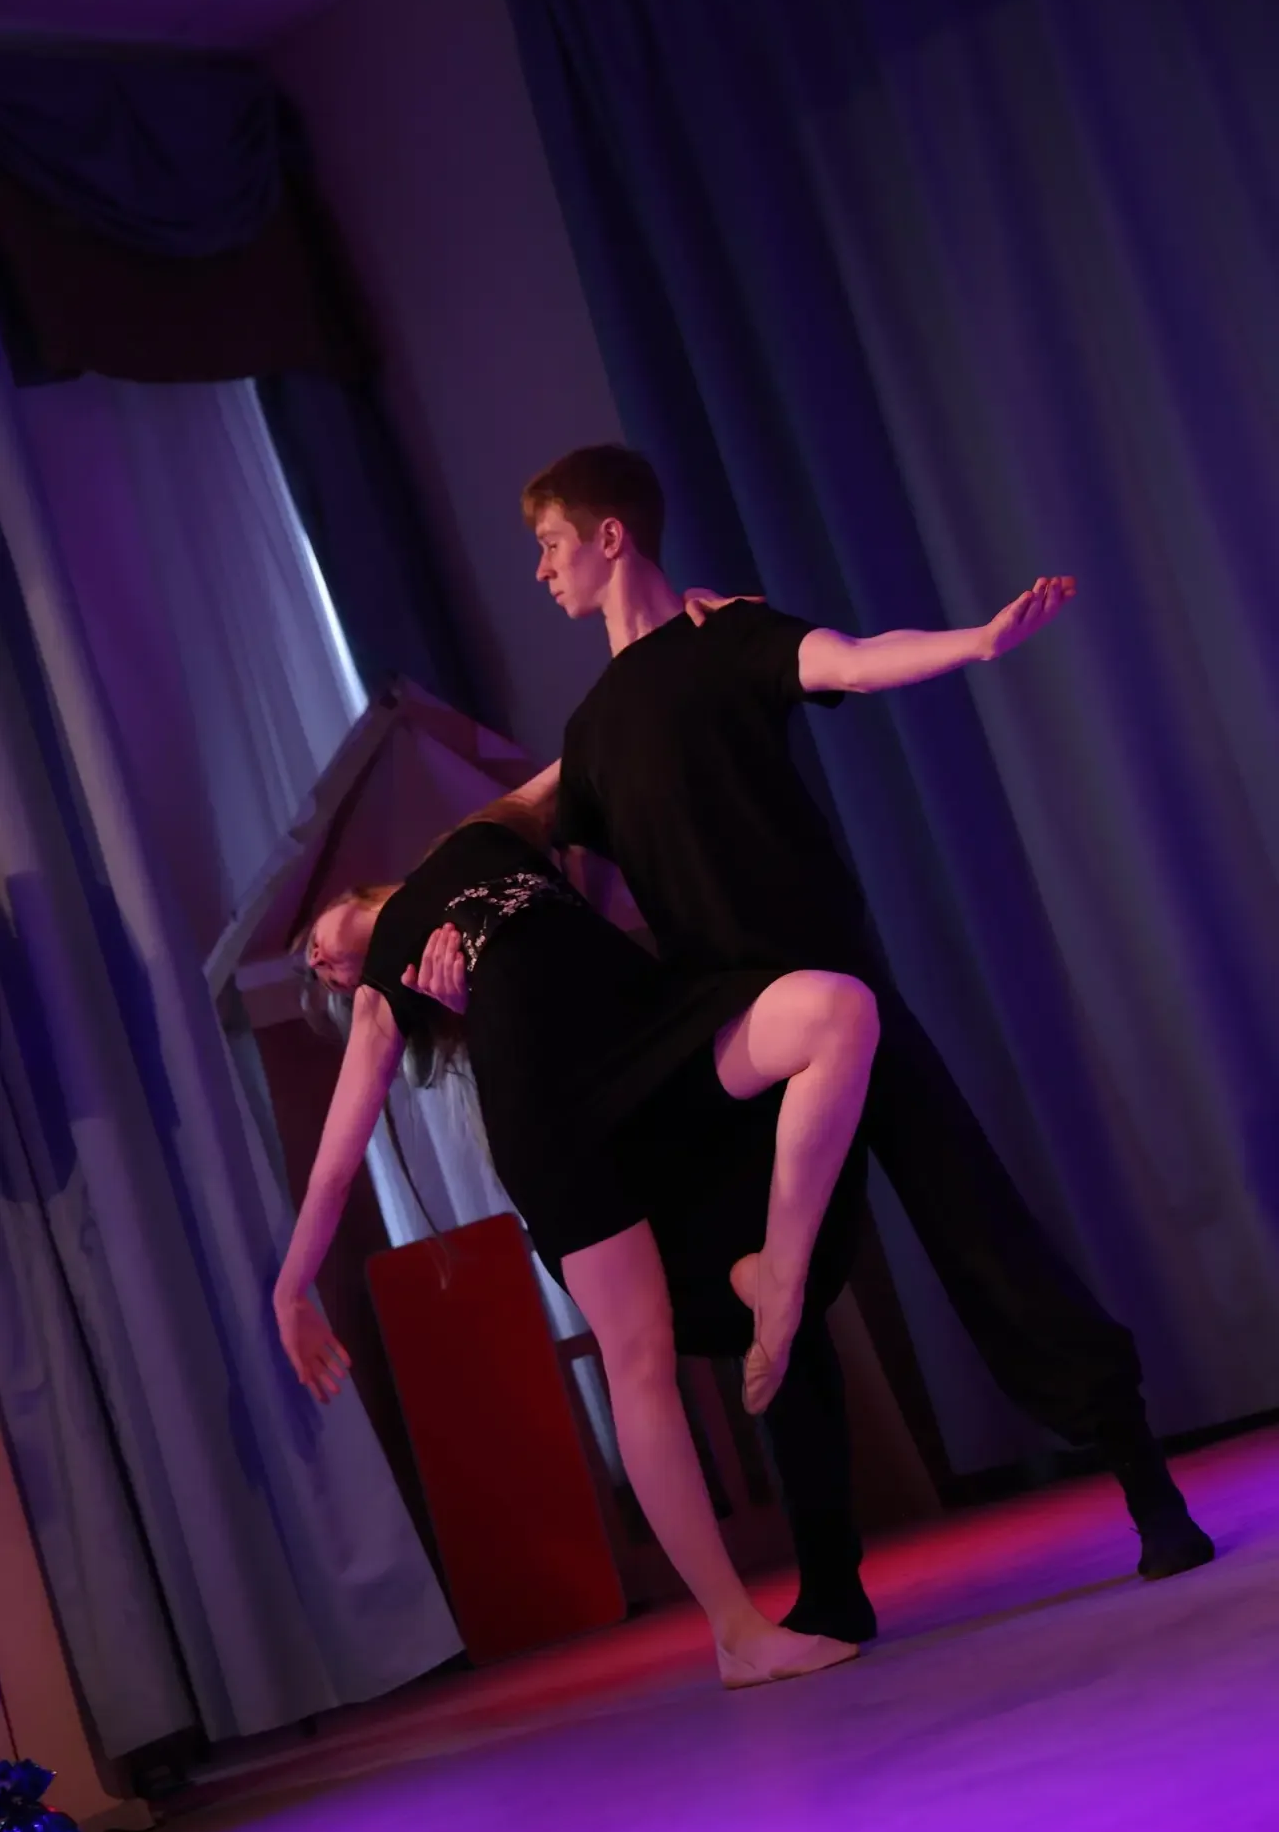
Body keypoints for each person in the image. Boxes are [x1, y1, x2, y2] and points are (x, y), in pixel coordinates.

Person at [518, 442, 1214, 1644]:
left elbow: (848, 657)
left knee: (978, 1232)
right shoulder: (588, 734)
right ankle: (831, 1585)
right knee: (769, 1300)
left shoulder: (729, 639)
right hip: (740, 1038)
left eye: (549, 545)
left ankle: (1147, 1489)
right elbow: (548, 851)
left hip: (844, 995)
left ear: (609, 537)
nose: (540, 571)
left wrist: (975, 643)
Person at [272, 795, 878, 1688]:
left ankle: (779, 1279)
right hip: (553, 1121)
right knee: (640, 1358)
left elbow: (573, 768)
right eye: (316, 978)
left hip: (649, 1036)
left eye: (312, 948)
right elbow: (334, 1163)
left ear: (349, 894)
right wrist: (290, 1288)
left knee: (839, 1009)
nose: (320, 963)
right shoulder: (386, 990)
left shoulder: (474, 838)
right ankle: (736, 1631)